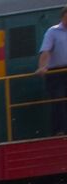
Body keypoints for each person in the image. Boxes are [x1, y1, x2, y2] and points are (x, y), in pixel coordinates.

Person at [37, 6, 67, 136]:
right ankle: (59, 131)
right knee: (58, 100)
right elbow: (46, 51)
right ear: (62, 17)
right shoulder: (52, 32)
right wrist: (43, 66)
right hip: (56, 73)